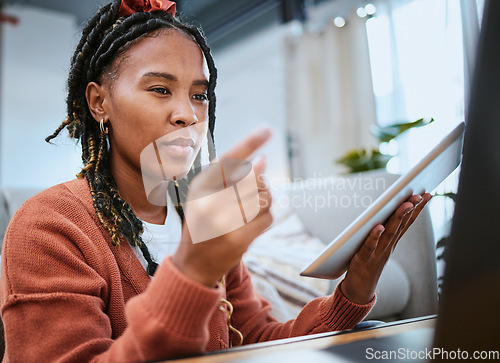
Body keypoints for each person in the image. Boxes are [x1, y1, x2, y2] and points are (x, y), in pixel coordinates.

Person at [0, 0, 431, 361]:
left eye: (200, 95)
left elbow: (255, 338)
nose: (188, 114)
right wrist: (193, 273)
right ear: (99, 102)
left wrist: (351, 293)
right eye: (159, 89)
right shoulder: (48, 226)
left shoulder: (199, 213)